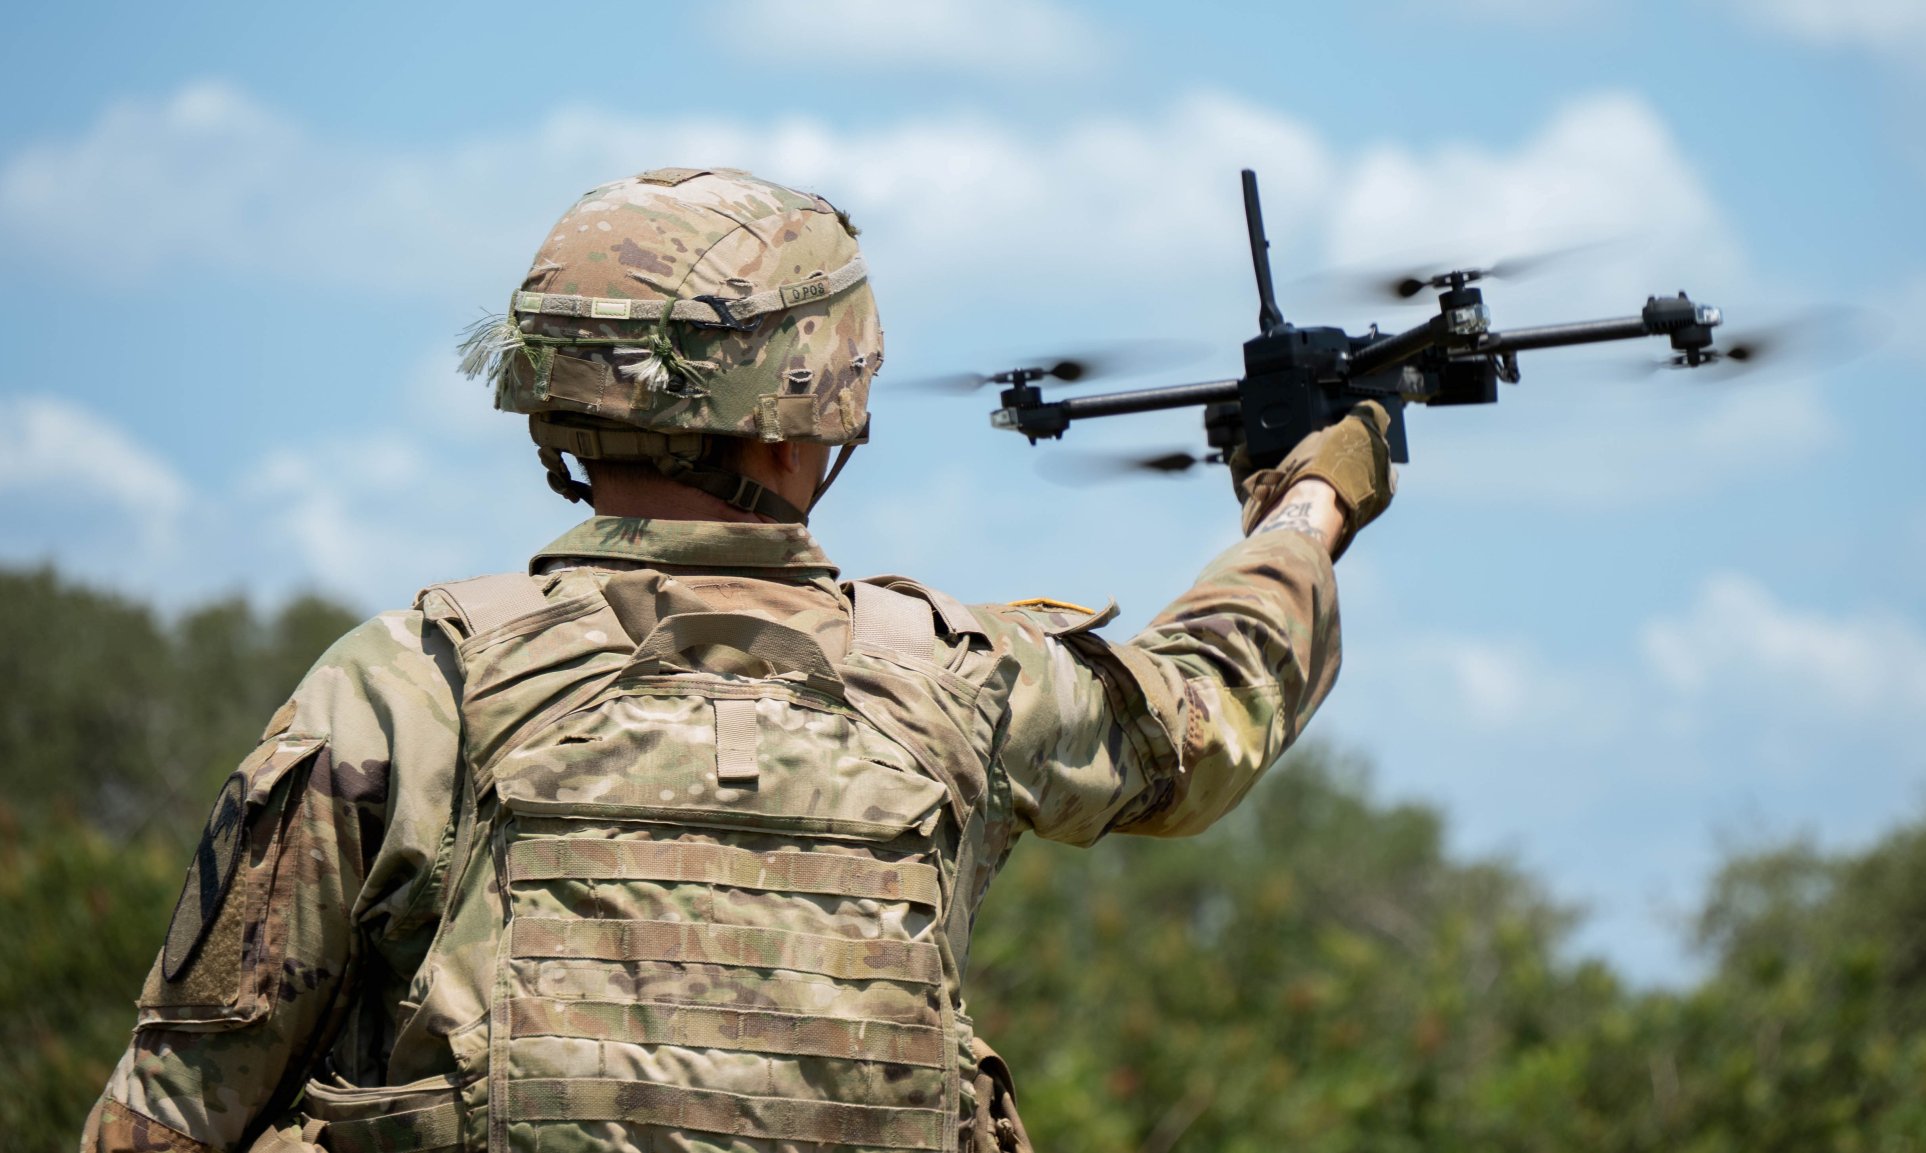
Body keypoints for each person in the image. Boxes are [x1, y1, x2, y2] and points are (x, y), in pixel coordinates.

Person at [82, 167, 1394, 1153]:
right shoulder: (962, 682)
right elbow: (1212, 704)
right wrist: (1306, 499)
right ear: (798, 423)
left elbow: (175, 1106)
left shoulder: (408, 683)